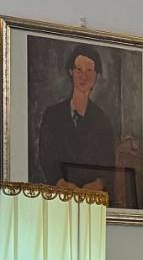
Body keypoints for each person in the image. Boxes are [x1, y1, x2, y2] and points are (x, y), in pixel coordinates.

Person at [29, 42, 130, 203]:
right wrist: (61, 184)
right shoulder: (52, 115)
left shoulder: (102, 121)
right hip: (57, 200)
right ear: (71, 72)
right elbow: (46, 157)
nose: (84, 76)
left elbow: (107, 166)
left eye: (89, 71)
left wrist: (97, 185)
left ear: (96, 76)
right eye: (79, 69)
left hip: (91, 202)